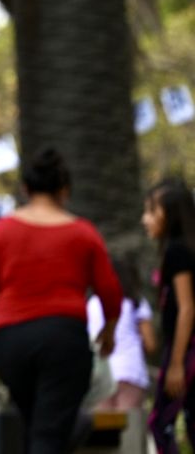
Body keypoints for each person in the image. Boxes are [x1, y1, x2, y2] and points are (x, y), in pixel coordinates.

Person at [0, 148, 122, 454]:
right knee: (49, 432)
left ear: (25, 188)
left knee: (37, 427)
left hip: (12, 343)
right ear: (64, 190)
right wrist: (108, 333)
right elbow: (110, 292)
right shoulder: (83, 233)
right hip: (63, 340)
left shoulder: (0, 232)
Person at [144, 178, 195, 452]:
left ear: (171, 215)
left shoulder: (177, 251)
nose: (145, 219)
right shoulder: (181, 249)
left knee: (160, 423)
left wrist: (176, 363)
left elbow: (186, 308)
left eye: (152, 211)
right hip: (185, 350)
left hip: (185, 351)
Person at [85, 258, 155, 415]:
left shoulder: (92, 304)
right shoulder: (135, 303)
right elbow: (150, 344)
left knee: (104, 426)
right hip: (130, 371)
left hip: (100, 374)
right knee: (129, 426)